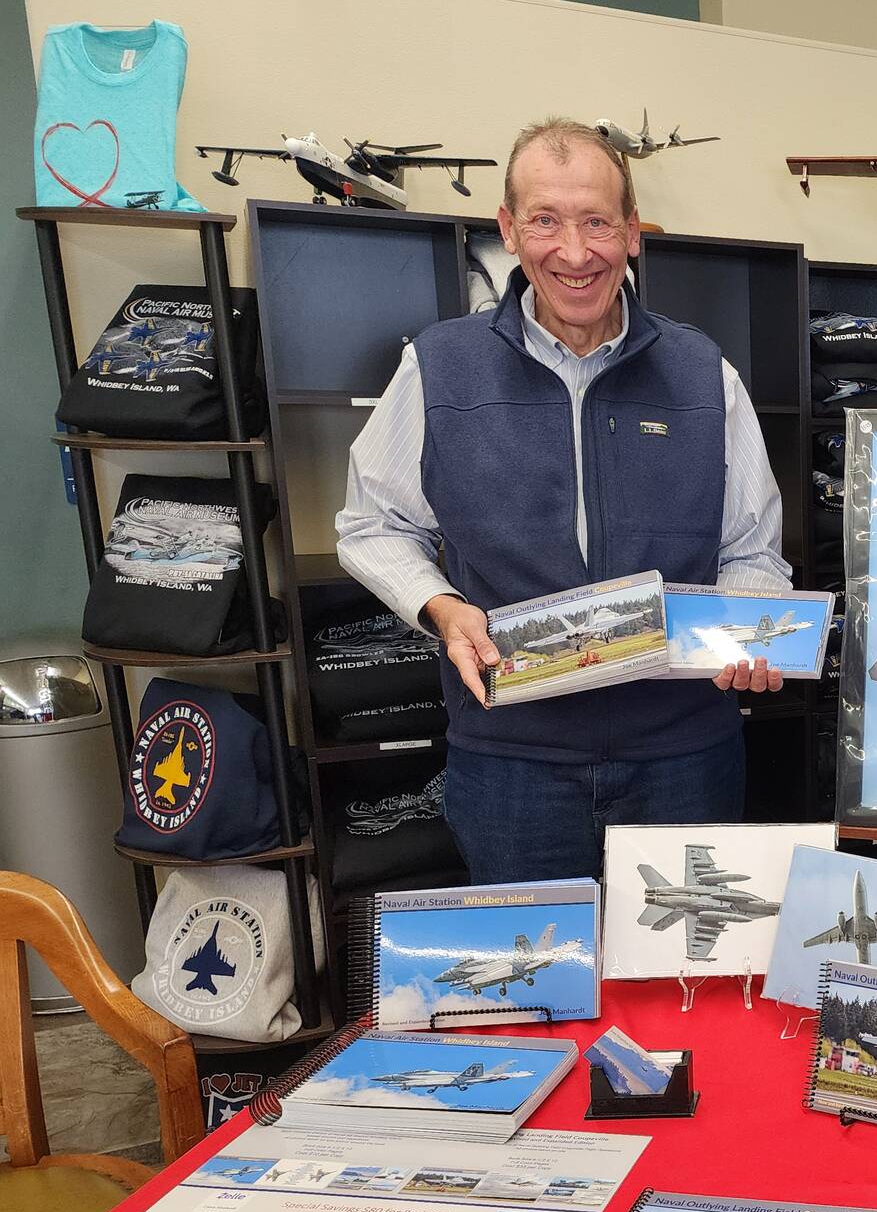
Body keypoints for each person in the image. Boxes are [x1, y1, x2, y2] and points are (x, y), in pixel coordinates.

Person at [337, 118, 791, 884]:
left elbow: (751, 550)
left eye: (596, 224)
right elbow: (373, 525)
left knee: (681, 983)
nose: (574, 254)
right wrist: (444, 610)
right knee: (540, 993)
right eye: (545, 221)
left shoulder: (703, 373)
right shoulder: (439, 366)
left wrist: (747, 630)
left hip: (683, 758)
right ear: (509, 230)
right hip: (511, 763)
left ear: (633, 233)